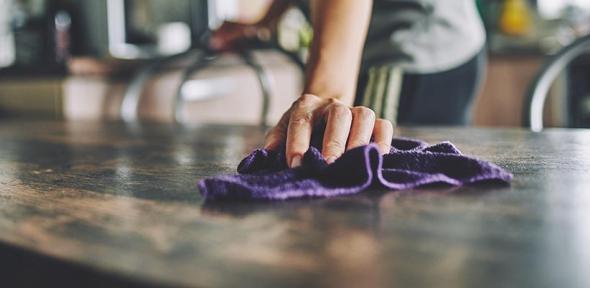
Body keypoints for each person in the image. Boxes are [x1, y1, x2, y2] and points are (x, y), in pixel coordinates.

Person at [211, 0, 486, 168]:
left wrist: (325, 97)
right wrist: (264, 22)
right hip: (448, 41)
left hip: (412, 47)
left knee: (370, 166)